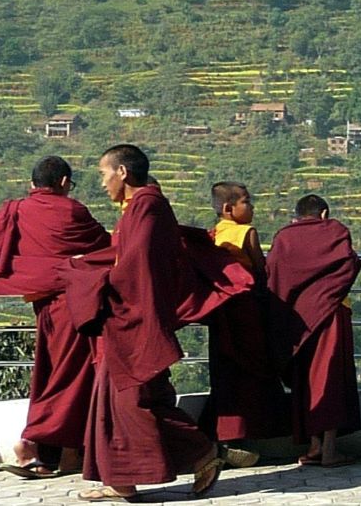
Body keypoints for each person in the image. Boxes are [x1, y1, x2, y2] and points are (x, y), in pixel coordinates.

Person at [77, 145, 247, 500]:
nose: (103, 183)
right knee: (128, 400)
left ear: (122, 172)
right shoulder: (140, 208)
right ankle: (124, 480)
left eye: (104, 174)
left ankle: (202, 452)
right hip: (130, 318)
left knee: (131, 402)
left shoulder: (148, 206)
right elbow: (130, 259)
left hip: (139, 321)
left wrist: (94, 280)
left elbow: (137, 265)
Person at [0, 156, 111, 478]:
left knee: (51, 373)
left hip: (44, 305)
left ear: (32, 184)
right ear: (64, 182)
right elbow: (104, 247)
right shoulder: (73, 211)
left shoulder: (18, 210)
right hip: (75, 305)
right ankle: (31, 439)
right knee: (69, 376)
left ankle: (61, 454)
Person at [265, 194, 361, 466]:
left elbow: (273, 274)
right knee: (331, 378)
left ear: (297, 216)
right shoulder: (335, 231)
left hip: (296, 319)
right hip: (331, 313)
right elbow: (350, 264)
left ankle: (314, 446)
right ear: (324, 214)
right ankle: (329, 449)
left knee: (306, 379)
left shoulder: (284, 237)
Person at [199, 182, 288, 451]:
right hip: (247, 310)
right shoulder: (246, 232)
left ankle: (222, 435)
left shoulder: (213, 235)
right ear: (229, 208)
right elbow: (261, 270)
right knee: (252, 371)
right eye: (246, 202)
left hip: (222, 311)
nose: (252, 208)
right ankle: (250, 434)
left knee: (225, 372)